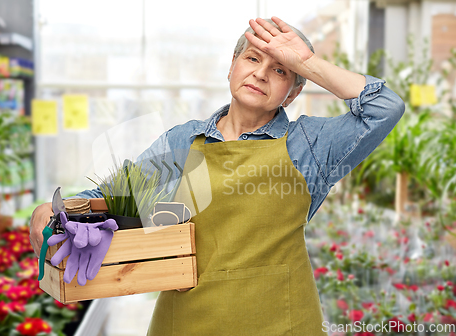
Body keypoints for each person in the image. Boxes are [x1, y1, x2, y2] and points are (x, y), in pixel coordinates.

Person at [30, 17, 405, 335]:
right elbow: (112, 196)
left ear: (293, 92)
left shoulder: (309, 144)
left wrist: (306, 62)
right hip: (186, 322)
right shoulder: (183, 140)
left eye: (280, 71)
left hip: (283, 323)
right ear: (232, 65)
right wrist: (52, 210)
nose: (260, 73)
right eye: (252, 58)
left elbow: (384, 108)